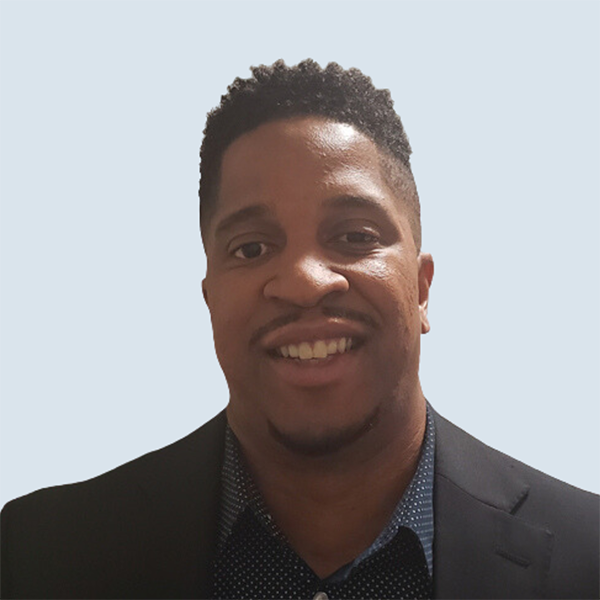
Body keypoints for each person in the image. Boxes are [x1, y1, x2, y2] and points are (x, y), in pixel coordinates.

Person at [1, 59, 599, 600]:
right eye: (253, 246)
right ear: (209, 299)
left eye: (355, 237)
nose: (306, 281)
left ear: (421, 287)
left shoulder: (587, 558)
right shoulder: (39, 556)